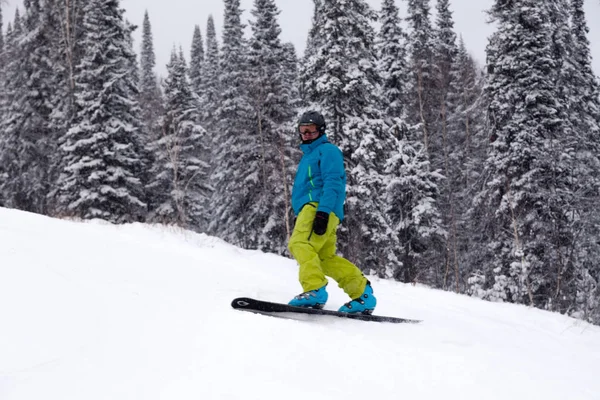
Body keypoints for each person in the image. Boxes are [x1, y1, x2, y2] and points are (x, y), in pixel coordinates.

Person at [287, 110, 376, 314]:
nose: (307, 134)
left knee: (299, 243)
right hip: (313, 209)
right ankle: (363, 294)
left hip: (318, 207)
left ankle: (315, 289)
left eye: (311, 130)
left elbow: (333, 182)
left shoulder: (327, 151)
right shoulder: (308, 156)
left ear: (321, 131)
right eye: (303, 131)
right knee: (325, 258)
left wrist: (322, 212)